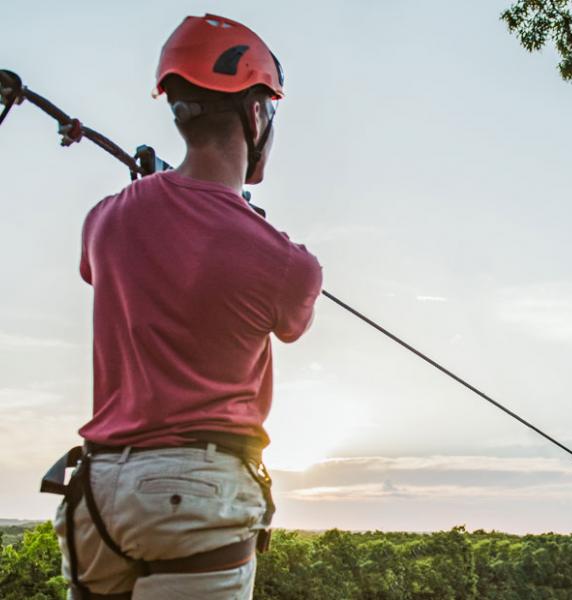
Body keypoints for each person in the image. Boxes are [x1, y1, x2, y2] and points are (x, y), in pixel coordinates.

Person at [45, 13, 322, 600]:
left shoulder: (105, 219)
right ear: (255, 113)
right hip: (197, 488)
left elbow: (111, 267)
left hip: (98, 489)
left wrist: (157, 192)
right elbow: (291, 322)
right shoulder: (288, 264)